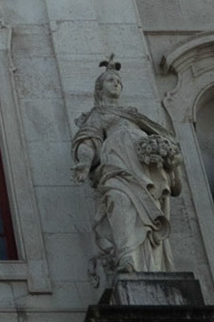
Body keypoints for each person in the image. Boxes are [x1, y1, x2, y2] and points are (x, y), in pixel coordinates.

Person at [69, 60, 183, 280]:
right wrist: (84, 162)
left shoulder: (133, 114)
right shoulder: (98, 114)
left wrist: (166, 155)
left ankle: (150, 265)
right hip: (116, 163)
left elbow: (162, 138)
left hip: (143, 166)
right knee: (117, 198)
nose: (116, 84)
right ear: (100, 88)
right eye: (111, 80)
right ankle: (127, 258)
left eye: (119, 81)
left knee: (147, 209)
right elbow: (88, 141)